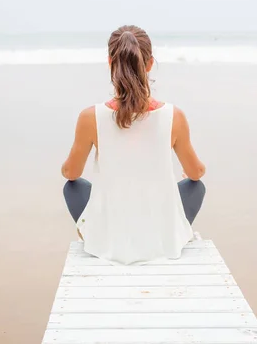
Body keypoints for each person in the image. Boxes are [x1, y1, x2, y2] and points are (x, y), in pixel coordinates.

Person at [61, 25, 206, 265]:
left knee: (73, 187)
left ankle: (97, 236)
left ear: (110, 62)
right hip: (160, 241)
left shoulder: (90, 117)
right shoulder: (174, 116)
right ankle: (170, 235)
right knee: (195, 187)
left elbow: (71, 173)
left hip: (110, 239)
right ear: (149, 64)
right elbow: (196, 172)